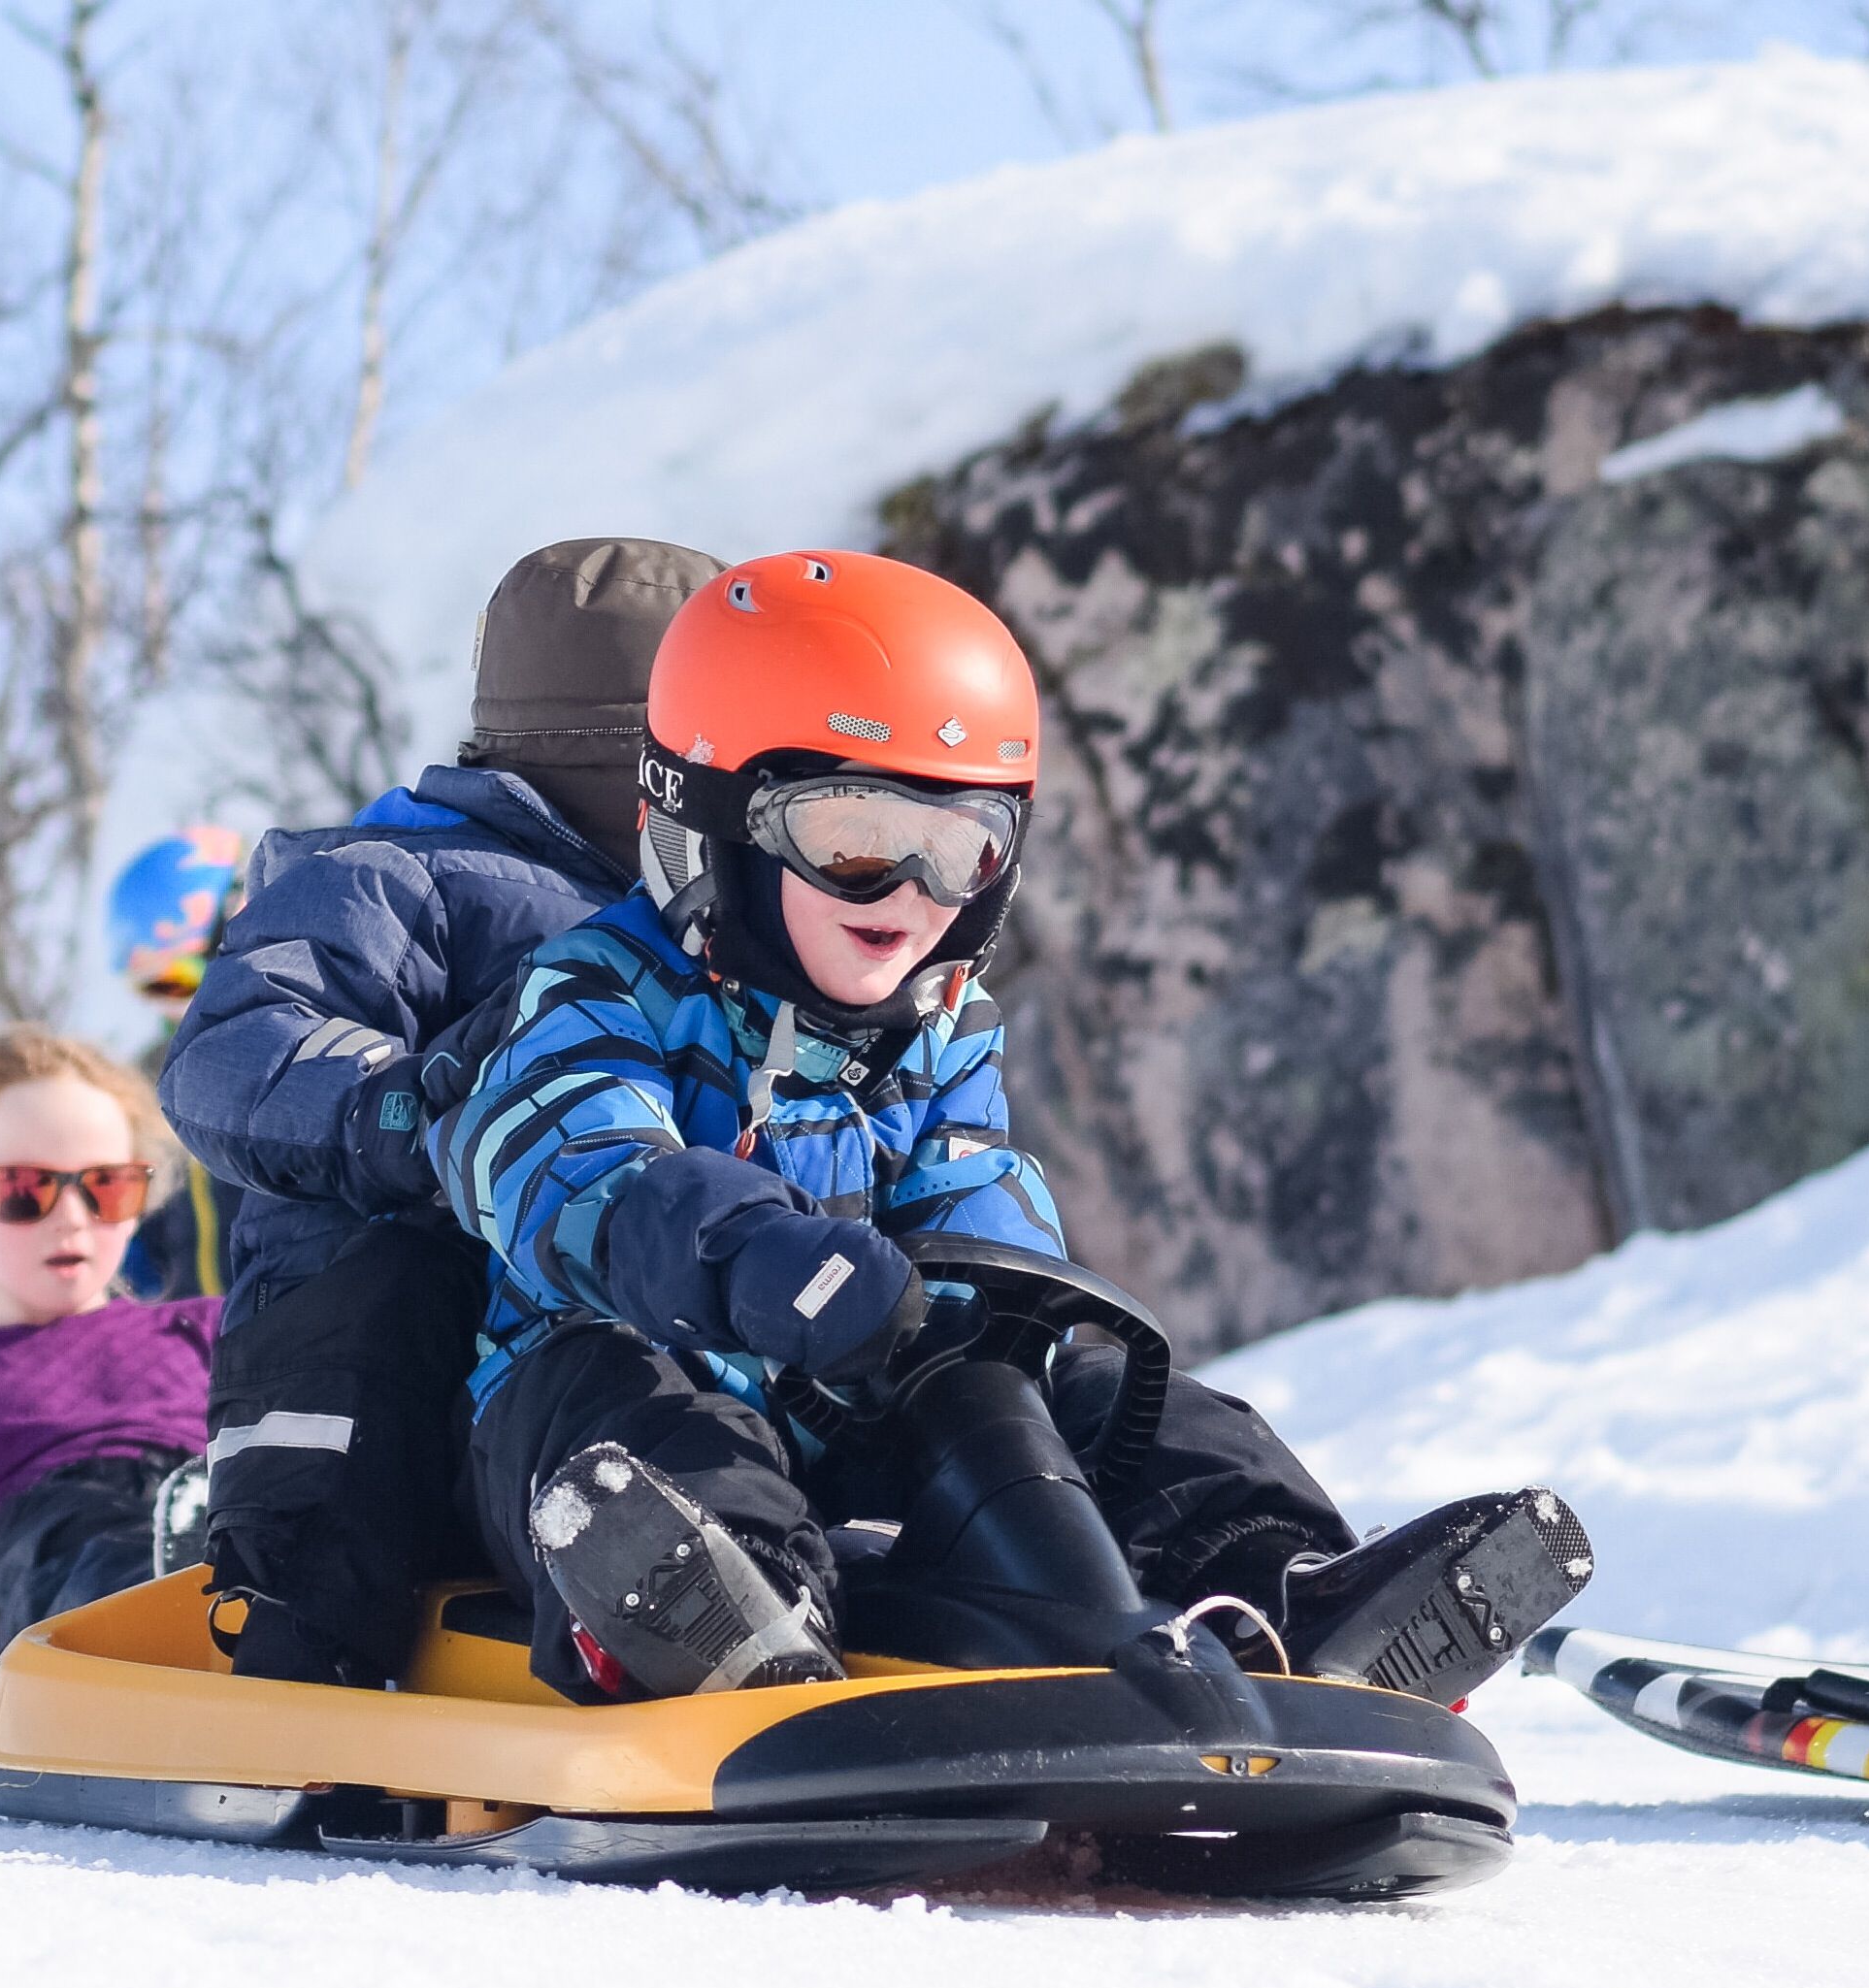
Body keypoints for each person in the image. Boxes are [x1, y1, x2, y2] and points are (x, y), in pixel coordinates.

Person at [443, 546, 1591, 1703]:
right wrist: (747, 1254)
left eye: (959, 848)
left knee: (1117, 1407)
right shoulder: (592, 989)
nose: (908, 894)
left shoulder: (940, 1025)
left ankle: (1284, 1591)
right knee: (638, 1402)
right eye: (851, 839)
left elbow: (978, 1198)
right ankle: (721, 1624)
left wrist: (1002, 1324)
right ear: (713, 824)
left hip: (847, 1406)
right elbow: (571, 1162)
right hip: (599, 1404)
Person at [157, 536, 718, 1686]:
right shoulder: (400, 875)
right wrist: (412, 1111)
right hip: (375, 1401)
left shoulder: (719, 921)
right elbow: (233, 1048)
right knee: (401, 1276)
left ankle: (724, 1571)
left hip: (589, 1362)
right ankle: (303, 1630)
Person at [0, 1028, 220, 1689]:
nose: (72, 1218)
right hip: (48, 1539)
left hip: (206, 1495)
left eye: (106, 1187)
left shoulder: (205, 1328)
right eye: (25, 1189)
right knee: (86, 1552)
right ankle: (166, 1613)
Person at [109, 824, 246, 1302]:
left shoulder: (300, 1040)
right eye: (156, 987)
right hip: (194, 1348)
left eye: (182, 978)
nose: (175, 1008)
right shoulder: (146, 1082)